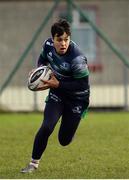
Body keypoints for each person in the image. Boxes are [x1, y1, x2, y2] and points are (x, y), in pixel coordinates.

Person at [21, 18, 90, 173]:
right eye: (59, 40)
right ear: (53, 39)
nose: (63, 43)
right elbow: (43, 59)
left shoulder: (77, 59)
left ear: (70, 39)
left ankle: (71, 123)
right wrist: (39, 70)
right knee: (46, 126)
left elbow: (82, 85)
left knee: (64, 140)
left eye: (66, 40)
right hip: (57, 93)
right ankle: (33, 164)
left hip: (77, 98)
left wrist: (58, 84)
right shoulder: (47, 45)